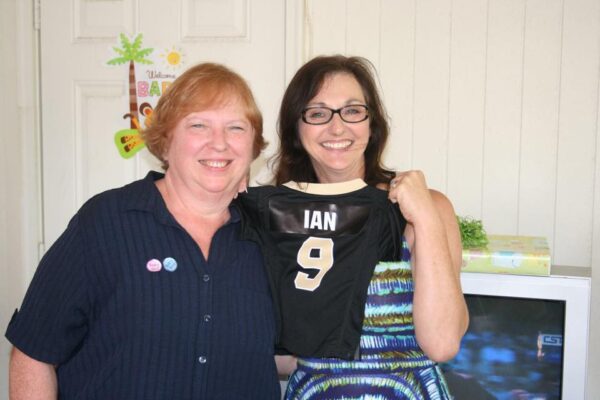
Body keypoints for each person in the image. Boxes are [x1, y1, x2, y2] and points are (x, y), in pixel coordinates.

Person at [5, 63, 281, 399]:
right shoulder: (105, 222)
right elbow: (34, 352)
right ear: (166, 142)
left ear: (253, 147)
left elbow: (284, 352)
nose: (219, 143)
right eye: (198, 125)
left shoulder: (272, 235)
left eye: (236, 128)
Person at [269, 55, 469, 398]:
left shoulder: (427, 207)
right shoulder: (279, 218)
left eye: (352, 111)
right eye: (317, 113)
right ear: (296, 130)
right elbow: (282, 358)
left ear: (372, 123)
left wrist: (424, 219)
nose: (337, 128)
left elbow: (442, 343)